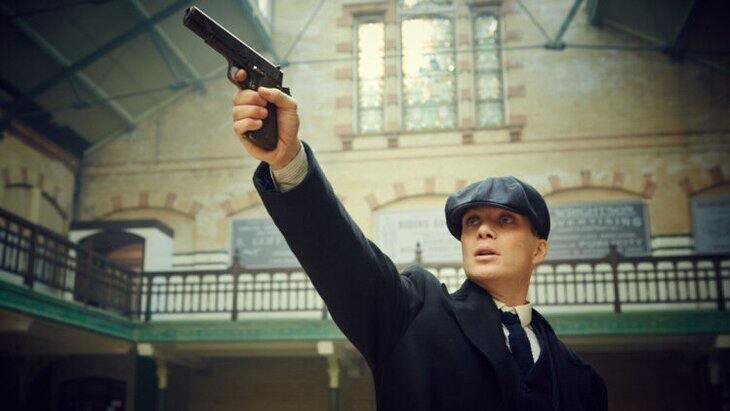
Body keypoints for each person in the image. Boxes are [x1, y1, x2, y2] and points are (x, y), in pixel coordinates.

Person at [231, 69, 607, 410]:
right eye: (472, 222)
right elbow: (340, 253)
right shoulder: (413, 313)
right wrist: (287, 161)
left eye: (505, 220)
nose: (483, 230)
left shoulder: (581, 379)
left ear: (539, 249)